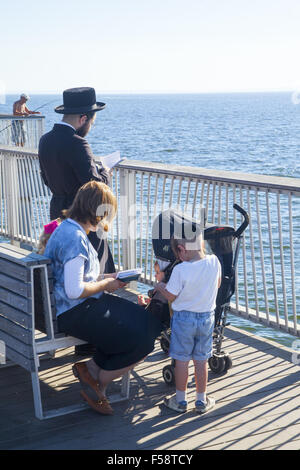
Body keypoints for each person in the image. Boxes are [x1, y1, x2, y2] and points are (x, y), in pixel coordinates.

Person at [43, 180, 162, 415]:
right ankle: (98, 383)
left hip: (74, 308)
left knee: (143, 320)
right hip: (77, 312)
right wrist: (107, 284)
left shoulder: (67, 229)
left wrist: (108, 277)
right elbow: (74, 290)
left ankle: (91, 371)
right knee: (146, 337)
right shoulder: (75, 239)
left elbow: (78, 276)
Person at [38, 87, 113, 355]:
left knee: (61, 273)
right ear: (83, 118)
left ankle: (66, 331)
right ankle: (89, 344)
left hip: (56, 211)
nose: (91, 125)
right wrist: (105, 171)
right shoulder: (78, 143)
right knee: (92, 273)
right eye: (91, 120)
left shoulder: (45, 140)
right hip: (82, 217)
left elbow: (46, 179)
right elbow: (93, 185)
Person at [155, 232, 221, 414]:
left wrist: (160, 286)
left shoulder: (180, 270)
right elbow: (217, 284)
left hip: (184, 319)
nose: (178, 258)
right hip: (207, 318)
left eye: (178, 254)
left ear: (182, 250)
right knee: (201, 360)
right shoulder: (215, 261)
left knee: (182, 360)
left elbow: (171, 295)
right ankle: (201, 400)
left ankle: (181, 400)